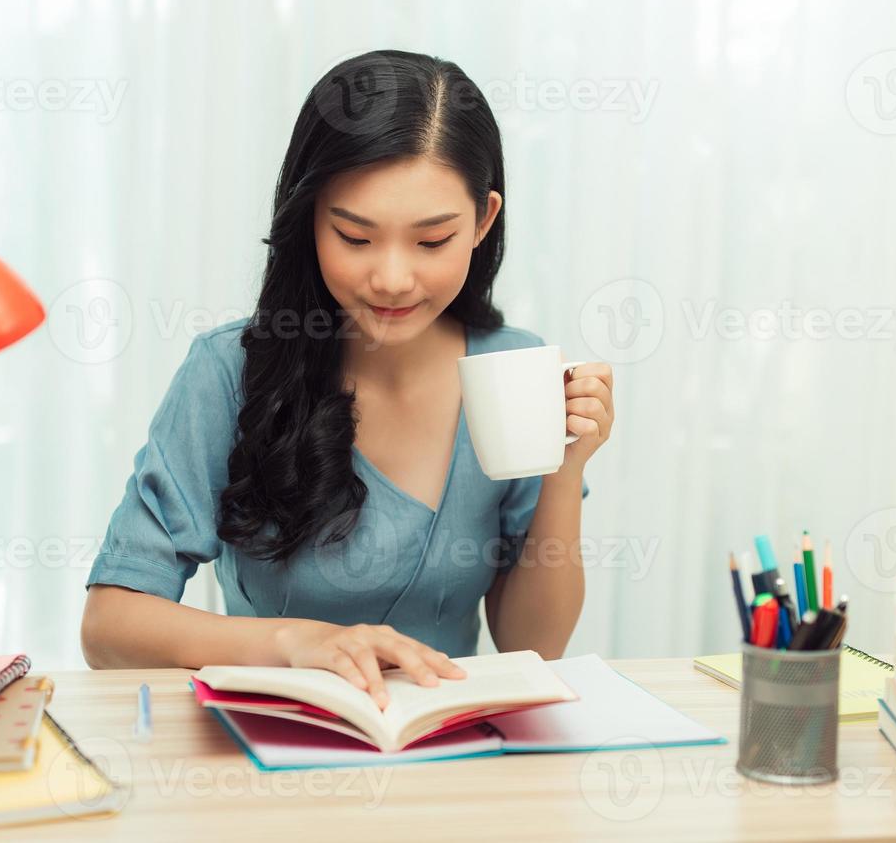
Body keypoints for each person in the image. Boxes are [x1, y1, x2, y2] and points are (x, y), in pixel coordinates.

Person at [81, 50, 614, 708]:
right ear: (309, 220)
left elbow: (534, 643)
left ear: (481, 222)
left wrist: (563, 468)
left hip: (449, 759)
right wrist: (291, 643)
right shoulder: (229, 371)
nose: (391, 277)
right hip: (272, 748)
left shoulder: (513, 370)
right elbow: (109, 627)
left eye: (431, 241)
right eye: (355, 238)